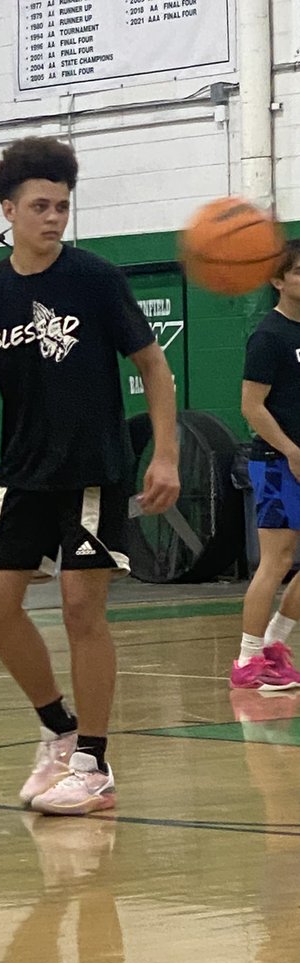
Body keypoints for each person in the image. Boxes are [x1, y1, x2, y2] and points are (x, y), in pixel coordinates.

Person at [0, 136, 179, 816]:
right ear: (8, 210)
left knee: (82, 610)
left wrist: (165, 453)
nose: (53, 218)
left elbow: (153, 366)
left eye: (62, 207)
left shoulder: (96, 279)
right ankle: (56, 727)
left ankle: (94, 765)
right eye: (40, 206)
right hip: (22, 473)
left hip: (92, 470)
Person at [230, 239, 300, 691]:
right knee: (276, 562)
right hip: (278, 462)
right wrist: (291, 450)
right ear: (279, 280)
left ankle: (276, 645)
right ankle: (247, 660)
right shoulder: (269, 336)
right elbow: (251, 406)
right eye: (299, 272)